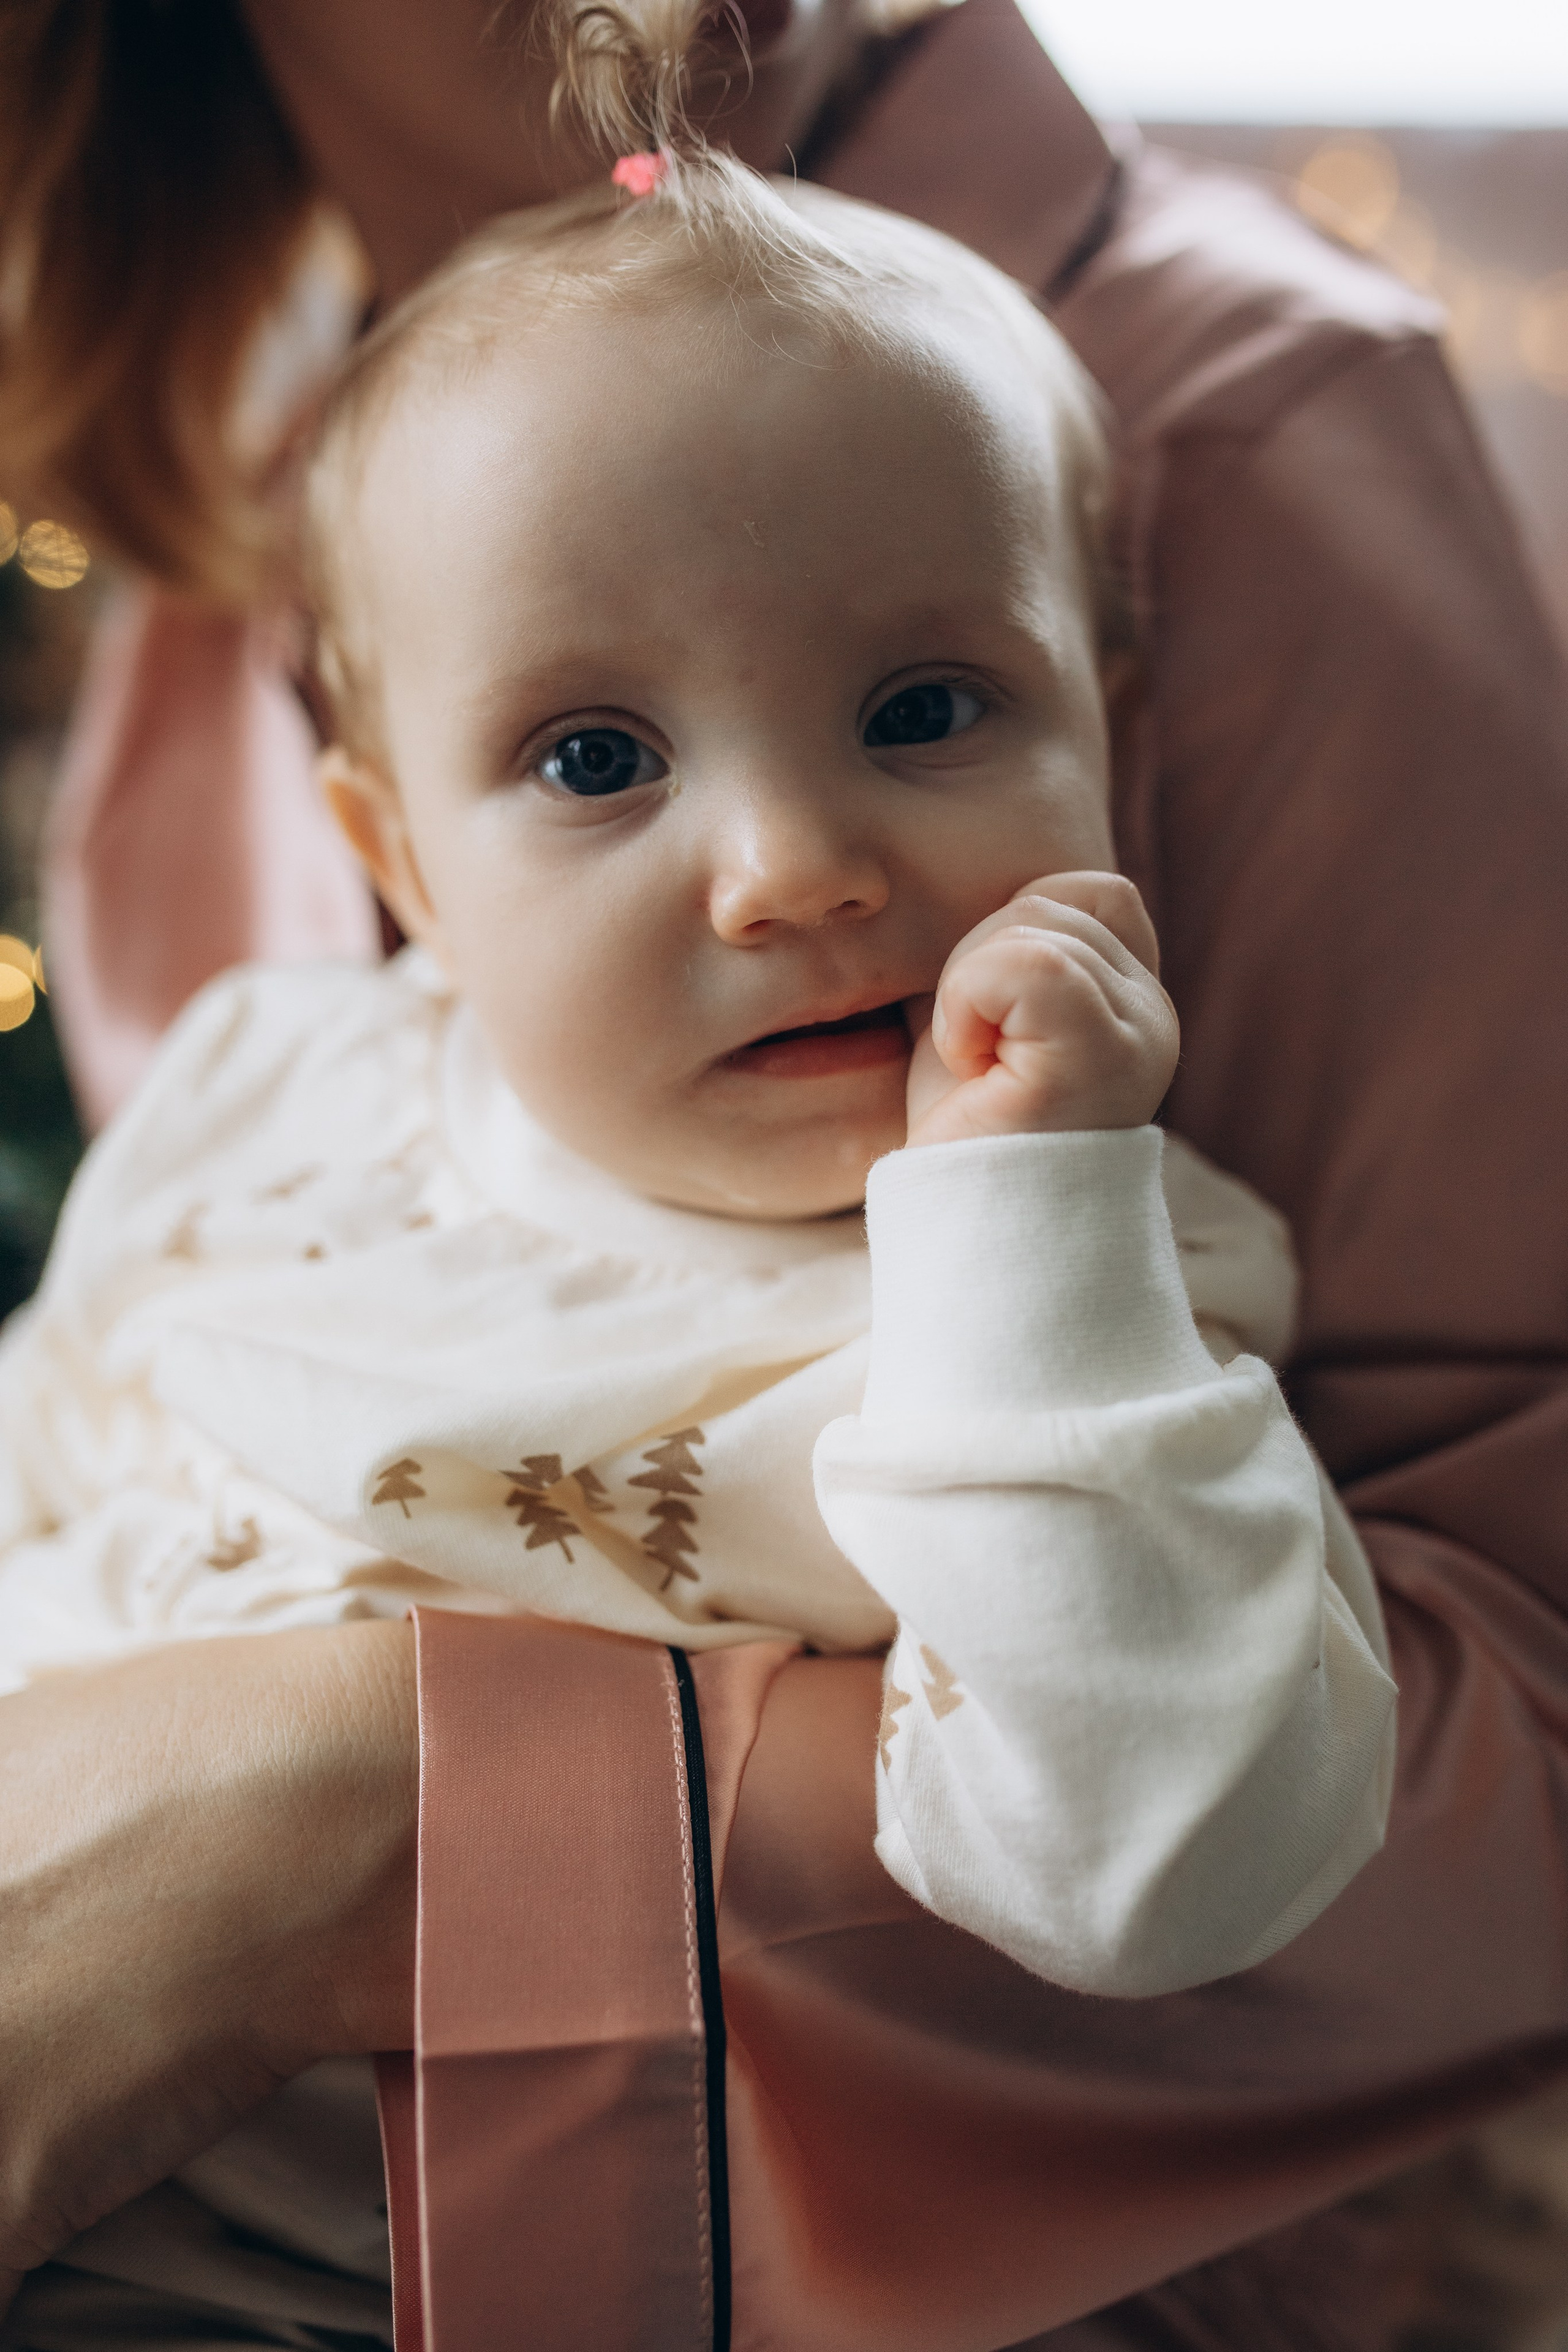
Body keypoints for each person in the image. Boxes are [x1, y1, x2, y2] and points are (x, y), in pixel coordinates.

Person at [1, 0, 1566, 2345]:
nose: (794, 871)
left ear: (1104, 712)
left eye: (927, 712)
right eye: (596, 753)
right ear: (389, 846)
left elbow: (1271, 1818)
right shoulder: (271, 1015)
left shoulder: (1058, 1284)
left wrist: (366, 1818)